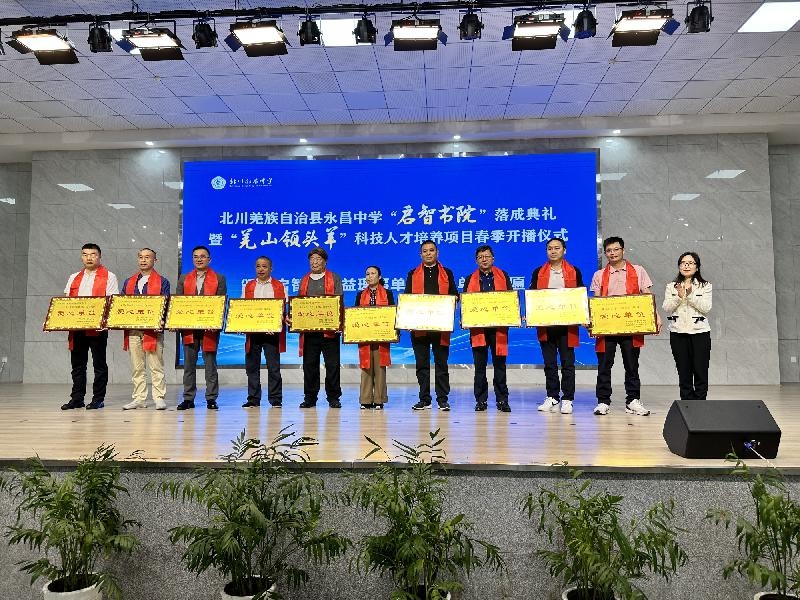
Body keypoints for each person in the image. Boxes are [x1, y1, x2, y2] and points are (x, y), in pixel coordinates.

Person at [590, 236, 661, 416]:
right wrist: (593, 321)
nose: (612, 253)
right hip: (607, 327)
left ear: (623, 250)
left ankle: (633, 400)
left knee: (632, 365)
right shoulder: (599, 275)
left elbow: (646, 295)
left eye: (616, 249)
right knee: (604, 365)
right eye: (609, 250)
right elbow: (597, 301)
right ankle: (603, 401)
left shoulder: (638, 270)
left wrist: (655, 315)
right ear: (605, 253)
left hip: (630, 325)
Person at [530, 238, 585, 415]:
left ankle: (568, 399)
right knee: (549, 363)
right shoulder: (538, 272)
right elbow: (533, 296)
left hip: (567, 326)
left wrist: (583, 315)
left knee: (568, 363)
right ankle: (552, 396)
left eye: (557, 248)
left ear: (564, 250)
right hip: (546, 325)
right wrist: (530, 314)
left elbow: (580, 296)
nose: (553, 251)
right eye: (550, 248)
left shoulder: (574, 271)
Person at [61, 243, 119, 410]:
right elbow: (66, 303)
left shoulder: (109, 276)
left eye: (93, 254)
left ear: (99, 256)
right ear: (82, 257)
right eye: (85, 254)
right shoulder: (74, 277)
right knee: (77, 365)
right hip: (77, 328)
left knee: (99, 365)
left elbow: (112, 302)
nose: (89, 257)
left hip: (98, 328)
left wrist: (104, 322)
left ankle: (98, 399)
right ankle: (77, 398)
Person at [404, 240, 458, 411]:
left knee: (441, 363)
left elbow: (454, 295)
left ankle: (442, 399)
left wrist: (452, 302)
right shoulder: (412, 274)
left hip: (440, 326)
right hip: (419, 326)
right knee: (422, 364)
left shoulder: (447, 273)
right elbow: (407, 299)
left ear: (437, 253)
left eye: (431, 250)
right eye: (425, 251)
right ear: (420, 255)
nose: (428, 253)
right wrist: (407, 318)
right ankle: (424, 399)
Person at [175, 245, 227, 411]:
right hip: (189, 328)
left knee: (210, 364)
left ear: (209, 259)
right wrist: (175, 322)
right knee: (189, 365)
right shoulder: (184, 278)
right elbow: (178, 303)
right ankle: (188, 398)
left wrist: (214, 322)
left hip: (209, 329)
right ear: (192, 259)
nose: (199, 259)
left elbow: (221, 303)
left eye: (203, 256)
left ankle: (211, 398)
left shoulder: (219, 278)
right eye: (196, 256)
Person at [463, 245, 513, 413]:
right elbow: (466, 303)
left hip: (498, 329)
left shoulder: (503, 275)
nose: (484, 259)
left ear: (493, 258)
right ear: (476, 260)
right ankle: (481, 400)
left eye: (487, 256)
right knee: (480, 367)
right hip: (479, 330)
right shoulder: (470, 279)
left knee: (500, 365)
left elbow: (510, 299)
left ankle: (502, 400)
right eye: (480, 257)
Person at [120, 248, 171, 411]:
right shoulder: (129, 282)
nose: (143, 260)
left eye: (147, 257)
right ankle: (139, 398)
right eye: (141, 257)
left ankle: (159, 398)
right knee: (137, 366)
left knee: (156, 365)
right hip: (134, 329)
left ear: (155, 261)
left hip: (153, 330)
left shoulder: (163, 282)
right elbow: (122, 304)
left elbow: (165, 304)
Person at [297, 247, 343, 409]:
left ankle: (333, 397)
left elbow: (339, 302)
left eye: (318, 259)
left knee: (332, 365)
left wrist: (339, 323)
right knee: (309, 365)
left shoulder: (334, 278)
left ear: (325, 262)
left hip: (330, 331)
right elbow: (299, 304)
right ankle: (310, 397)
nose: (314, 262)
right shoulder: (304, 280)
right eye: (312, 259)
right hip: (309, 331)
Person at [662, 252, 712, 400]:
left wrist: (689, 295)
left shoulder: (705, 286)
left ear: (697, 267)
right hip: (678, 333)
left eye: (690, 263)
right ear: (679, 266)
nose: (686, 265)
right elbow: (666, 308)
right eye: (683, 263)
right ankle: (687, 404)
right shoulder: (671, 286)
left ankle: (700, 402)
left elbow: (706, 307)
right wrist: (679, 296)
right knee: (683, 371)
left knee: (700, 370)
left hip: (700, 333)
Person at [242, 256, 286, 408]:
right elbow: (242, 308)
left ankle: (275, 399)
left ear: (271, 269)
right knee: (252, 367)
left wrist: (276, 324)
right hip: (253, 333)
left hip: (271, 334)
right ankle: (253, 399)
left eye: (264, 266)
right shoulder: (248, 286)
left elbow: (282, 310)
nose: (261, 269)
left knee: (273, 367)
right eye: (258, 266)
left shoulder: (279, 286)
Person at [355, 265, 395, 410]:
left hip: (381, 336)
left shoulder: (388, 293)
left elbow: (392, 313)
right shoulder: (360, 294)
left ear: (379, 277)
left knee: (379, 368)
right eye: (367, 274)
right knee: (366, 367)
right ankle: (365, 399)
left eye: (373, 273)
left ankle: (379, 399)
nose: (370, 276)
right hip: (365, 336)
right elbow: (355, 314)